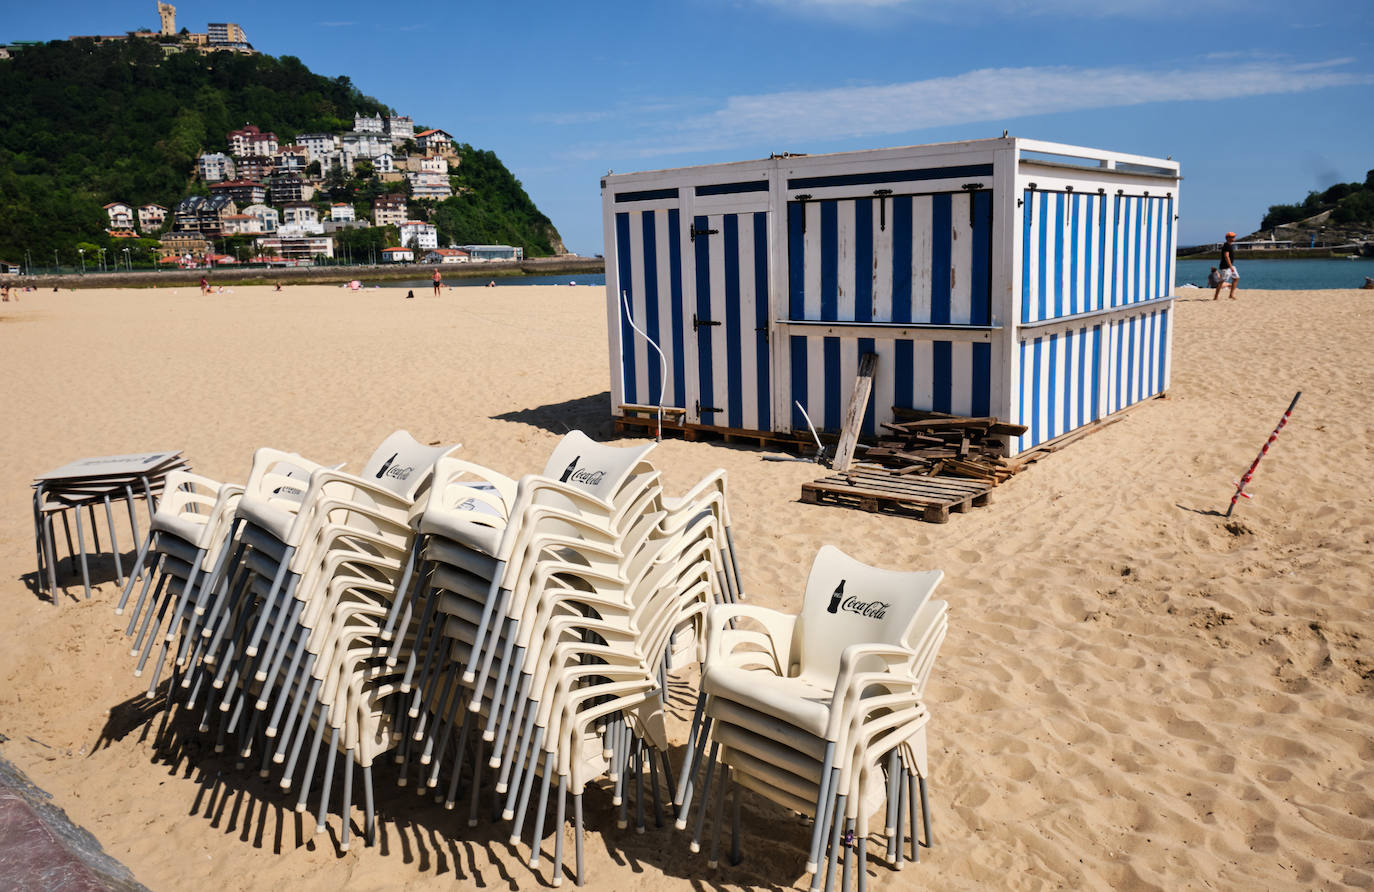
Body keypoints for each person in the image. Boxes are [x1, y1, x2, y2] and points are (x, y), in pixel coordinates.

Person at [1214, 232, 1239, 300]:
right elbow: (1226, 256)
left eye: (1234, 236)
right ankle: (1216, 297)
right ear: (1228, 238)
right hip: (1225, 267)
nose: (1234, 238)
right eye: (1232, 237)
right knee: (1221, 281)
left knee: (1236, 278)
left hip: (1230, 266)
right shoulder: (1226, 245)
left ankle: (1231, 295)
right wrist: (1230, 266)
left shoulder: (1229, 245)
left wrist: (1231, 266)